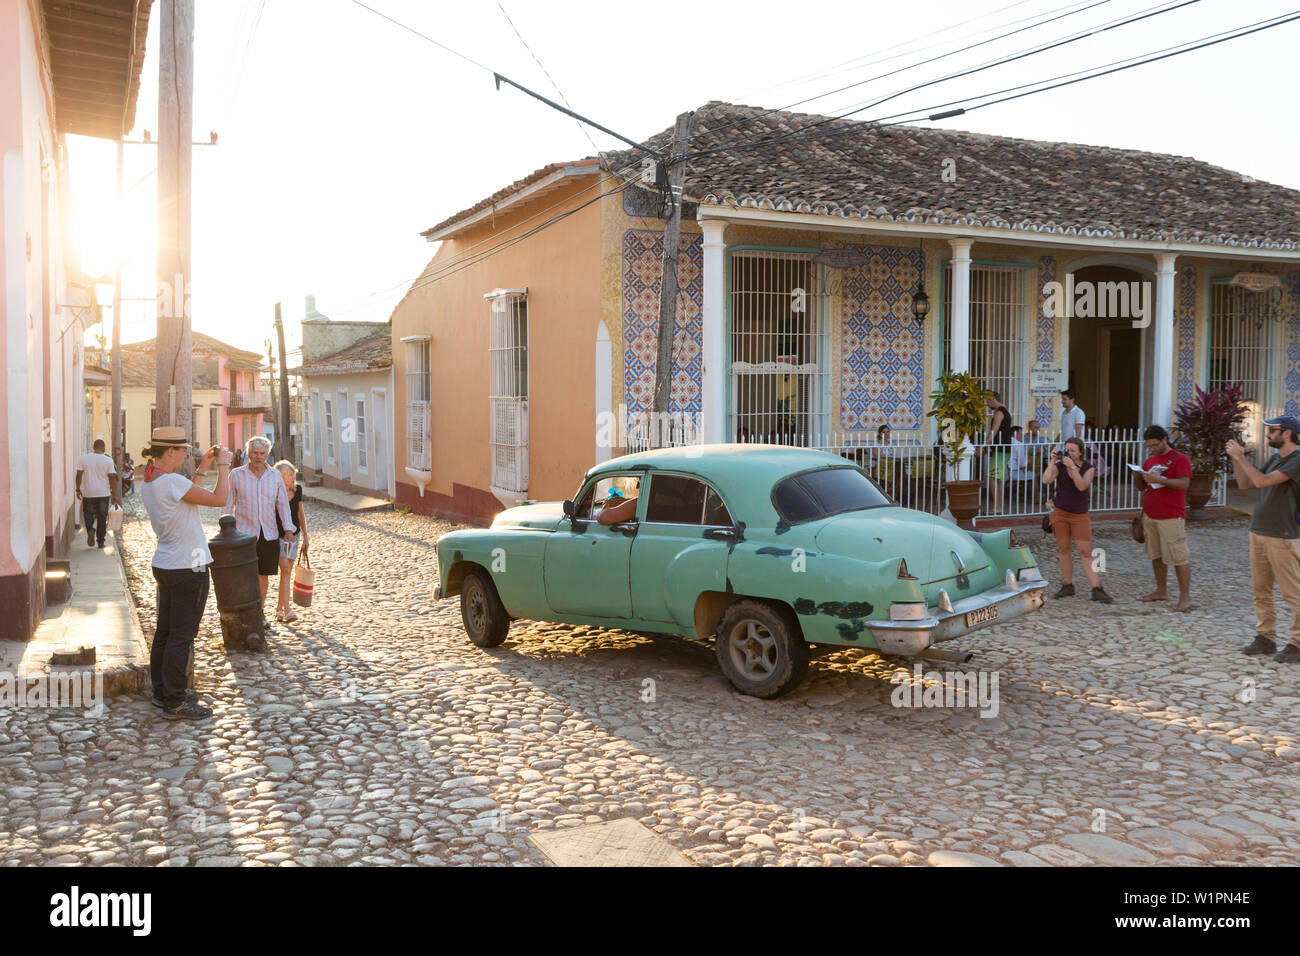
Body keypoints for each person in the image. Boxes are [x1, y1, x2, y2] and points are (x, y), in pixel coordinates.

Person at [139, 428, 230, 720]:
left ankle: (162, 692)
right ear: (170, 452)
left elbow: (188, 496)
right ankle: (176, 702)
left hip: (166, 563)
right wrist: (224, 465)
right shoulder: (173, 482)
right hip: (189, 566)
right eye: (183, 450)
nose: (186, 454)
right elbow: (219, 500)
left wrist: (204, 467)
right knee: (182, 636)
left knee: (165, 633)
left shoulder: (151, 481)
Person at [1227, 416, 1300, 663]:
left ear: (1287, 433)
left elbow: (1262, 481)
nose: (1267, 434)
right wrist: (1236, 459)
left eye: (1273, 430)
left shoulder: (1296, 460)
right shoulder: (1275, 458)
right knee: (1261, 590)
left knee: (1293, 593)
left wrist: (1240, 457)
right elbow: (1245, 483)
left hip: (1283, 534)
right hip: (1259, 530)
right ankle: (1265, 637)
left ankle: (1297, 643)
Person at [226, 436, 296, 628]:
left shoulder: (274, 476)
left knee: (262, 576)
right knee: (244, 576)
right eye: (255, 453)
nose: (258, 457)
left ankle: (259, 613)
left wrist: (288, 528)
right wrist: (225, 527)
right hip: (243, 534)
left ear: (267, 454)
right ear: (248, 454)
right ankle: (243, 613)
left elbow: (282, 504)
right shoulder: (236, 475)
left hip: (269, 534)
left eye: (262, 453)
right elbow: (228, 503)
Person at [1042, 438, 1113, 603]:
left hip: (1079, 515)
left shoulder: (1089, 468)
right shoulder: (1060, 466)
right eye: (1067, 450)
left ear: (1080, 452)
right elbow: (1046, 480)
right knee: (1064, 549)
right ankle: (1067, 585)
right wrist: (1053, 460)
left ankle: (1096, 588)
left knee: (1085, 552)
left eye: (1073, 450)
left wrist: (1073, 467)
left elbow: (1082, 486)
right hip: (1060, 512)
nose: (1069, 453)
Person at [1138, 424, 1194, 611]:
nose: (1152, 449)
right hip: (1151, 513)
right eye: (1149, 446)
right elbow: (1141, 487)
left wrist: (1160, 480)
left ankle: (1185, 597)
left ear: (1164, 440)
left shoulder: (1180, 459)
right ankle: (1161, 590)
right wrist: (1138, 474)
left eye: (1155, 445)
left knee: (1178, 556)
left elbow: (1184, 483)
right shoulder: (1150, 460)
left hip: (1171, 515)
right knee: (1156, 555)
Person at [273, 460, 309, 623]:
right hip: (277, 536)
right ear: (280, 477)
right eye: (289, 474)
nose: (293, 476)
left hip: (294, 536)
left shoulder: (298, 490)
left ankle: (280, 609)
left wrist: (306, 536)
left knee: (287, 572)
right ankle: (287, 610)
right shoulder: (273, 491)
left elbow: (300, 514)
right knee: (285, 569)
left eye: (293, 473)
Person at [75, 439, 120, 548]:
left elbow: (79, 475)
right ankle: (100, 542)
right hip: (103, 493)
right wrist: (114, 494)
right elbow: (112, 478)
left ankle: (90, 529)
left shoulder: (83, 458)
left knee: (88, 514)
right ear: (104, 448)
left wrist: (77, 489)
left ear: (93, 447)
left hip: (88, 492)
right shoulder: (108, 460)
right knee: (102, 517)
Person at [985, 392, 1012, 515]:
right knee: (998, 478)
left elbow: (994, 430)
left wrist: (984, 445)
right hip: (1003, 448)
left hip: (1000, 449)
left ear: (993, 399)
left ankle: (997, 507)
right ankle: (998, 506)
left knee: (993, 477)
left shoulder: (999, 412)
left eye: (987, 401)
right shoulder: (1005, 410)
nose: (987, 403)